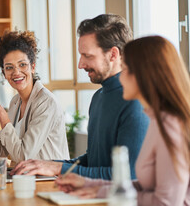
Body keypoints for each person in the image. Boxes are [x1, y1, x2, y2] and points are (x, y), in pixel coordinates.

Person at [55, 36, 190, 205]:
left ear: (144, 76)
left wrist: (103, 191)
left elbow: (165, 202)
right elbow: (146, 187)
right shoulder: (157, 120)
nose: (120, 77)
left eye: (125, 69)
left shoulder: (170, 126)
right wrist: (90, 185)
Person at [11, 14, 149, 179]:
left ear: (113, 54)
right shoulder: (99, 97)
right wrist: (47, 165)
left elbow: (127, 176)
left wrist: (58, 169)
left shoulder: (136, 102)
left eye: (88, 56)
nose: (80, 64)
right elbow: (93, 161)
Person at [0, 30, 70, 163]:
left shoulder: (46, 103)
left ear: (32, 67)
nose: (16, 72)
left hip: (49, 181)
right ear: (4, 74)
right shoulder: (15, 102)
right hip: (26, 179)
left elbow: (23, 157)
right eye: (9, 68)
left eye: (22, 65)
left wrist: (1, 113)